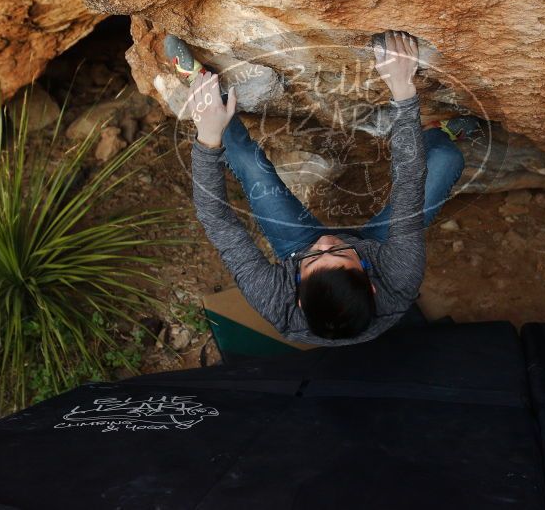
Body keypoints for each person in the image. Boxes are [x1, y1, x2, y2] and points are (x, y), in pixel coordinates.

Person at [179, 30, 474, 345]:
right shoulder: (398, 277)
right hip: (377, 248)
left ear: (300, 297)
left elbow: (218, 222)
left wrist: (207, 139)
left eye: (315, 259)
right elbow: (409, 182)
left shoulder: (275, 300)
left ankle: (205, 92)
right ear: (370, 283)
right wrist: (403, 90)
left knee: (253, 168)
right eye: (337, 252)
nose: (325, 242)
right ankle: (436, 133)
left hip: (297, 247)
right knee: (445, 159)